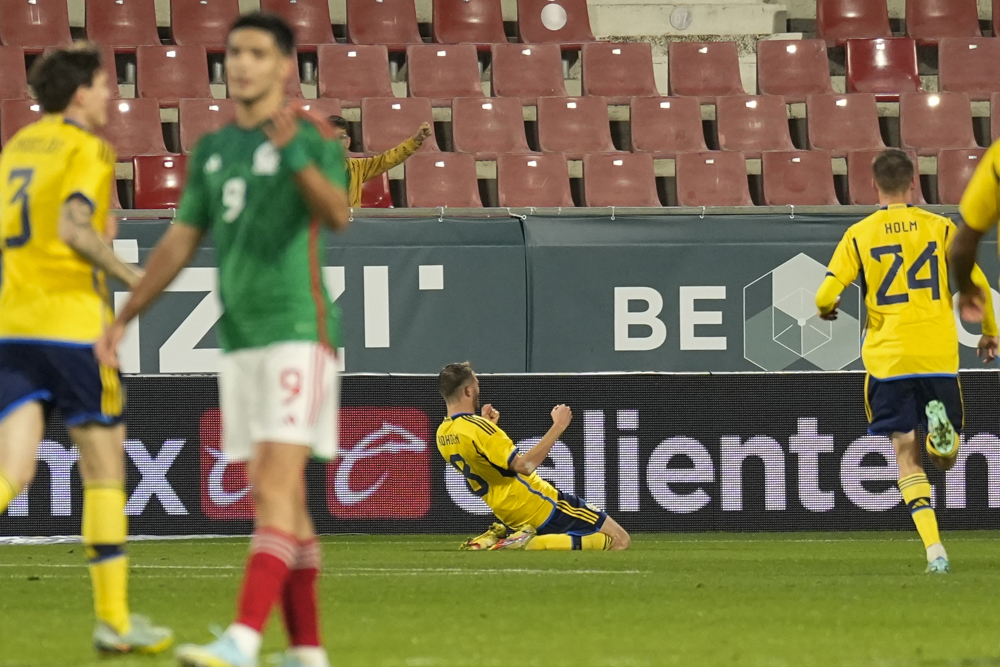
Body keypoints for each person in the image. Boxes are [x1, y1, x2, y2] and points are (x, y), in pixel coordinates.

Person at [94, 14, 349, 667]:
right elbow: (181, 240)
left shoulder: (315, 136)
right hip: (239, 338)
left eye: (257, 53)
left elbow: (338, 215)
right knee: (283, 495)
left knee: (273, 482)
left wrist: (293, 154)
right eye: (234, 51)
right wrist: (127, 314)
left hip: (298, 328)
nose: (241, 63)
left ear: (285, 65)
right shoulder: (211, 149)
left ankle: (242, 636)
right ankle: (310, 649)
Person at [0, 45, 173, 653]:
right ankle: (115, 623)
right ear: (79, 94)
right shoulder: (87, 148)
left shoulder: (17, 147)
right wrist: (140, 281)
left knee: (11, 474)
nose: (109, 96)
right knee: (104, 475)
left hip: (14, 327)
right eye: (103, 86)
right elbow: (76, 229)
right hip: (73, 330)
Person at [814, 149, 998, 575]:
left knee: (905, 457)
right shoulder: (940, 227)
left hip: (889, 356)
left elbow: (825, 294)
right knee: (945, 461)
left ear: (872, 185)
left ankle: (935, 551)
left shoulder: (860, 233)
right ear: (914, 183)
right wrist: (990, 329)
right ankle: (941, 435)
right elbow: (978, 281)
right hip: (936, 353)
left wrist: (827, 308)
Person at [436, 362, 631, 551]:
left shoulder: (442, 434)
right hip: (539, 502)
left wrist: (491, 427)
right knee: (620, 540)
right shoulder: (478, 427)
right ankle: (532, 544)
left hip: (509, 513)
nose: (479, 388)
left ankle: (524, 539)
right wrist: (558, 426)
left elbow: (485, 465)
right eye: (477, 384)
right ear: (468, 391)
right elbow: (524, 466)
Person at [328, 115, 433, 207]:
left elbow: (388, 159)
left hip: (353, 225)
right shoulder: (312, 172)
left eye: (341, 137)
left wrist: (416, 140)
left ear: (348, 142)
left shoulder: (357, 167)